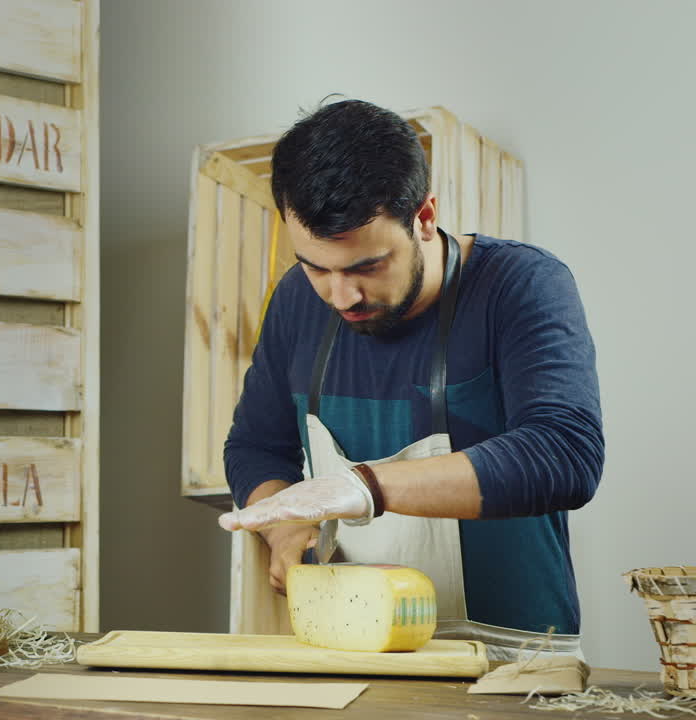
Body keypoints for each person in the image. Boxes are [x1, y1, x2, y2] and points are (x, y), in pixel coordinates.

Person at [217, 99, 603, 660]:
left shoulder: (522, 284)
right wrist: (282, 526)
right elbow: (256, 445)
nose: (341, 296)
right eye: (316, 266)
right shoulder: (298, 301)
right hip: (350, 652)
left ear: (423, 218)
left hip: (512, 656)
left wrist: (365, 487)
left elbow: (566, 454)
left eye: (366, 267)